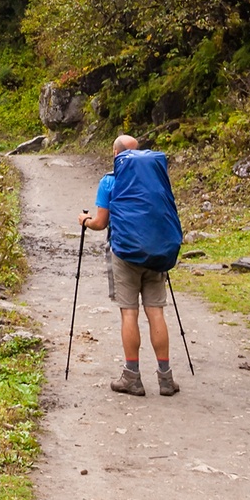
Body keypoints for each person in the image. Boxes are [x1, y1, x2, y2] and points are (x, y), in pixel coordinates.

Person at [80, 134, 179, 396]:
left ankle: (132, 377)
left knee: (129, 312)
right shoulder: (156, 177)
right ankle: (166, 379)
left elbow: (100, 223)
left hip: (124, 254)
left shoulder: (110, 181)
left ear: (115, 154)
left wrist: (84, 221)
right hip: (156, 253)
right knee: (156, 311)